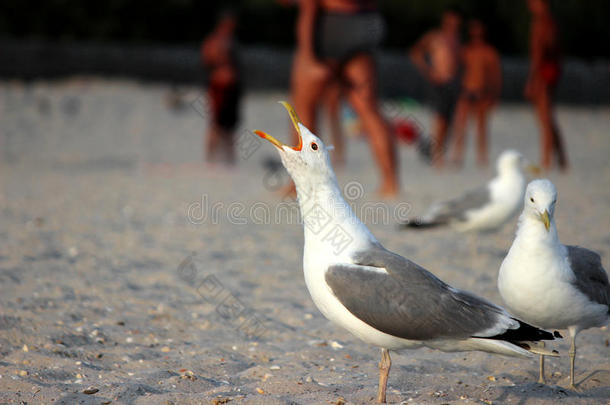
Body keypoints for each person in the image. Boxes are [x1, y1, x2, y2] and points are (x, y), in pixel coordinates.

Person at [290, 0, 398, 196]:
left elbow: (309, 6)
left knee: (304, 109)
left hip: (332, 25)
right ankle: (391, 182)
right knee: (369, 109)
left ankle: (299, 183)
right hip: (365, 22)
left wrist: (307, 56)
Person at [410, 7, 462, 168]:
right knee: (440, 119)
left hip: (453, 83)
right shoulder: (435, 37)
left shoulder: (457, 40)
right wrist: (429, 71)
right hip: (439, 83)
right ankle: (437, 155)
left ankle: (440, 152)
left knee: (449, 121)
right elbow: (415, 52)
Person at [450, 19, 502, 168]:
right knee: (461, 126)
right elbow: (457, 71)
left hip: (482, 92)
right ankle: (457, 156)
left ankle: (481, 157)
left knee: (481, 127)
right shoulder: (465, 51)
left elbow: (496, 76)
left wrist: (494, 95)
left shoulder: (489, 52)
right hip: (466, 90)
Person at [525, 0, 568, 171]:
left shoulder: (541, 23)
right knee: (548, 117)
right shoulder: (551, 22)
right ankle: (561, 159)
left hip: (544, 72)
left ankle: (547, 160)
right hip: (551, 70)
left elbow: (539, 53)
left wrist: (532, 79)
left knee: (544, 117)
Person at [201, 11, 241, 165]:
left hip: (232, 87)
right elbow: (207, 61)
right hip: (219, 87)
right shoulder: (214, 41)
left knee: (230, 127)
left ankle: (229, 159)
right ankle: (210, 159)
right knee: (217, 125)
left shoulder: (232, 41)